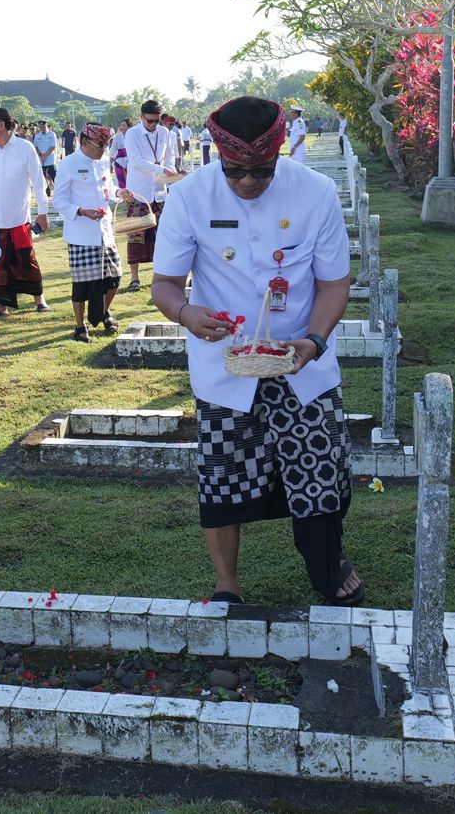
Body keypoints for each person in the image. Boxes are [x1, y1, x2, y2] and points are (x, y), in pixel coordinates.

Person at [151, 96, 362, 607]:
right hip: (225, 364)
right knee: (223, 481)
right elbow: (165, 284)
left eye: (261, 171)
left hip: (301, 363)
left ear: (280, 152)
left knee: (319, 472)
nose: (247, 182)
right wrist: (185, 314)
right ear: (216, 156)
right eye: (234, 171)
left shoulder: (316, 193)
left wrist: (312, 341)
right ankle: (227, 582)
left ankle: (327, 568)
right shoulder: (190, 197)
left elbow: (335, 284)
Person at [52, 122, 132, 341]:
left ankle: (104, 312)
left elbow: (108, 189)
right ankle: (80, 325)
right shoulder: (69, 164)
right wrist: (80, 211)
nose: (103, 150)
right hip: (81, 233)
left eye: (106, 145)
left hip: (104, 231)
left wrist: (120, 193)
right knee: (82, 284)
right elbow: (58, 200)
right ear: (85, 142)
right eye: (100, 145)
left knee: (114, 277)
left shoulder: (104, 161)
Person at [0, 106, 51, 316]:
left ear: (0, 125)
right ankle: (1, 307)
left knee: (27, 259)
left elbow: (38, 181)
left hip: (18, 218)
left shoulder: (25, 148)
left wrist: (42, 212)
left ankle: (39, 299)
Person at [123, 100, 179, 292]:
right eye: (149, 121)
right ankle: (134, 277)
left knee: (164, 236)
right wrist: (161, 168)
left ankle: (160, 275)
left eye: (156, 121)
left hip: (160, 191)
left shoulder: (165, 132)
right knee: (136, 235)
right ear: (141, 117)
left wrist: (170, 170)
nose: (153, 125)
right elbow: (136, 161)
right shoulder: (132, 134)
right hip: (139, 192)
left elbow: (170, 156)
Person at [33, 120, 58, 196]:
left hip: (50, 160)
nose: (42, 129)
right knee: (43, 177)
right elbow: (36, 147)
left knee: (54, 176)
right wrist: (41, 155)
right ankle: (47, 192)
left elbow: (53, 147)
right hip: (41, 160)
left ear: (47, 126)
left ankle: (59, 192)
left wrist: (45, 155)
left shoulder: (51, 134)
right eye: (41, 127)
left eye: (44, 127)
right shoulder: (37, 135)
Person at [111, 119, 131, 188]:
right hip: (119, 163)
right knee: (120, 183)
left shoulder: (133, 137)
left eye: (124, 125)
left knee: (131, 182)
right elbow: (112, 152)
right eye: (121, 125)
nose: (121, 127)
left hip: (131, 162)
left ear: (129, 126)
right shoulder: (116, 137)